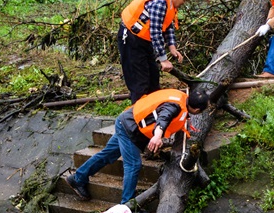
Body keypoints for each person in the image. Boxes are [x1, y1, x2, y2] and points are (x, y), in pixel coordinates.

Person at [67, 87, 210, 205]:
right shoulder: (175, 106)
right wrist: (157, 136)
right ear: (197, 110)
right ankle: (128, 205)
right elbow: (164, 118)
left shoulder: (180, 97)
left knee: (107, 154)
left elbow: (167, 114)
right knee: (134, 164)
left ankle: (77, 179)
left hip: (127, 120)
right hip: (130, 129)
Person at [118, 0, 192, 102]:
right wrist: (163, 59)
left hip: (144, 40)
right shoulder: (160, 3)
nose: (184, 2)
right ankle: (138, 115)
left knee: (153, 79)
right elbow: (156, 31)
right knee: (140, 83)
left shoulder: (169, 1)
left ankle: (153, 113)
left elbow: (167, 23)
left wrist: (172, 46)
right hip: (131, 40)